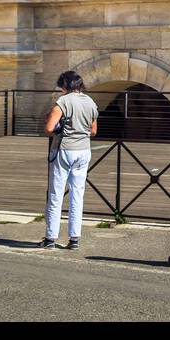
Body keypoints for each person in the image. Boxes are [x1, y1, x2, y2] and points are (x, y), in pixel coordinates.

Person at [41, 70, 99, 250]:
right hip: (84, 151)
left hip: (64, 150)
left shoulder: (62, 102)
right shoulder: (90, 102)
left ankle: (50, 238)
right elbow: (94, 131)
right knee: (77, 195)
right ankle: (74, 239)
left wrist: (61, 128)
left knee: (56, 194)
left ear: (65, 85)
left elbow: (49, 128)